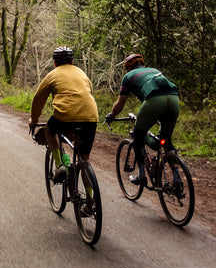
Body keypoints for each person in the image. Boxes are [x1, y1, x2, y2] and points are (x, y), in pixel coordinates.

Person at [106, 53, 180, 185]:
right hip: (174, 99)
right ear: (142, 64)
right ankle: (177, 178)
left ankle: (141, 176)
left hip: (154, 100)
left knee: (138, 136)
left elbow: (120, 104)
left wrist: (112, 115)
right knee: (166, 140)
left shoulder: (128, 77)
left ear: (128, 68)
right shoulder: (154, 71)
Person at [29, 46, 99, 183]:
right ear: (72, 62)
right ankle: (90, 199)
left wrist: (34, 119)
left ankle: (59, 165)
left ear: (55, 63)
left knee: (49, 130)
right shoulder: (82, 73)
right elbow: (89, 92)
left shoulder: (53, 75)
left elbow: (38, 99)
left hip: (65, 115)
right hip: (91, 116)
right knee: (84, 159)